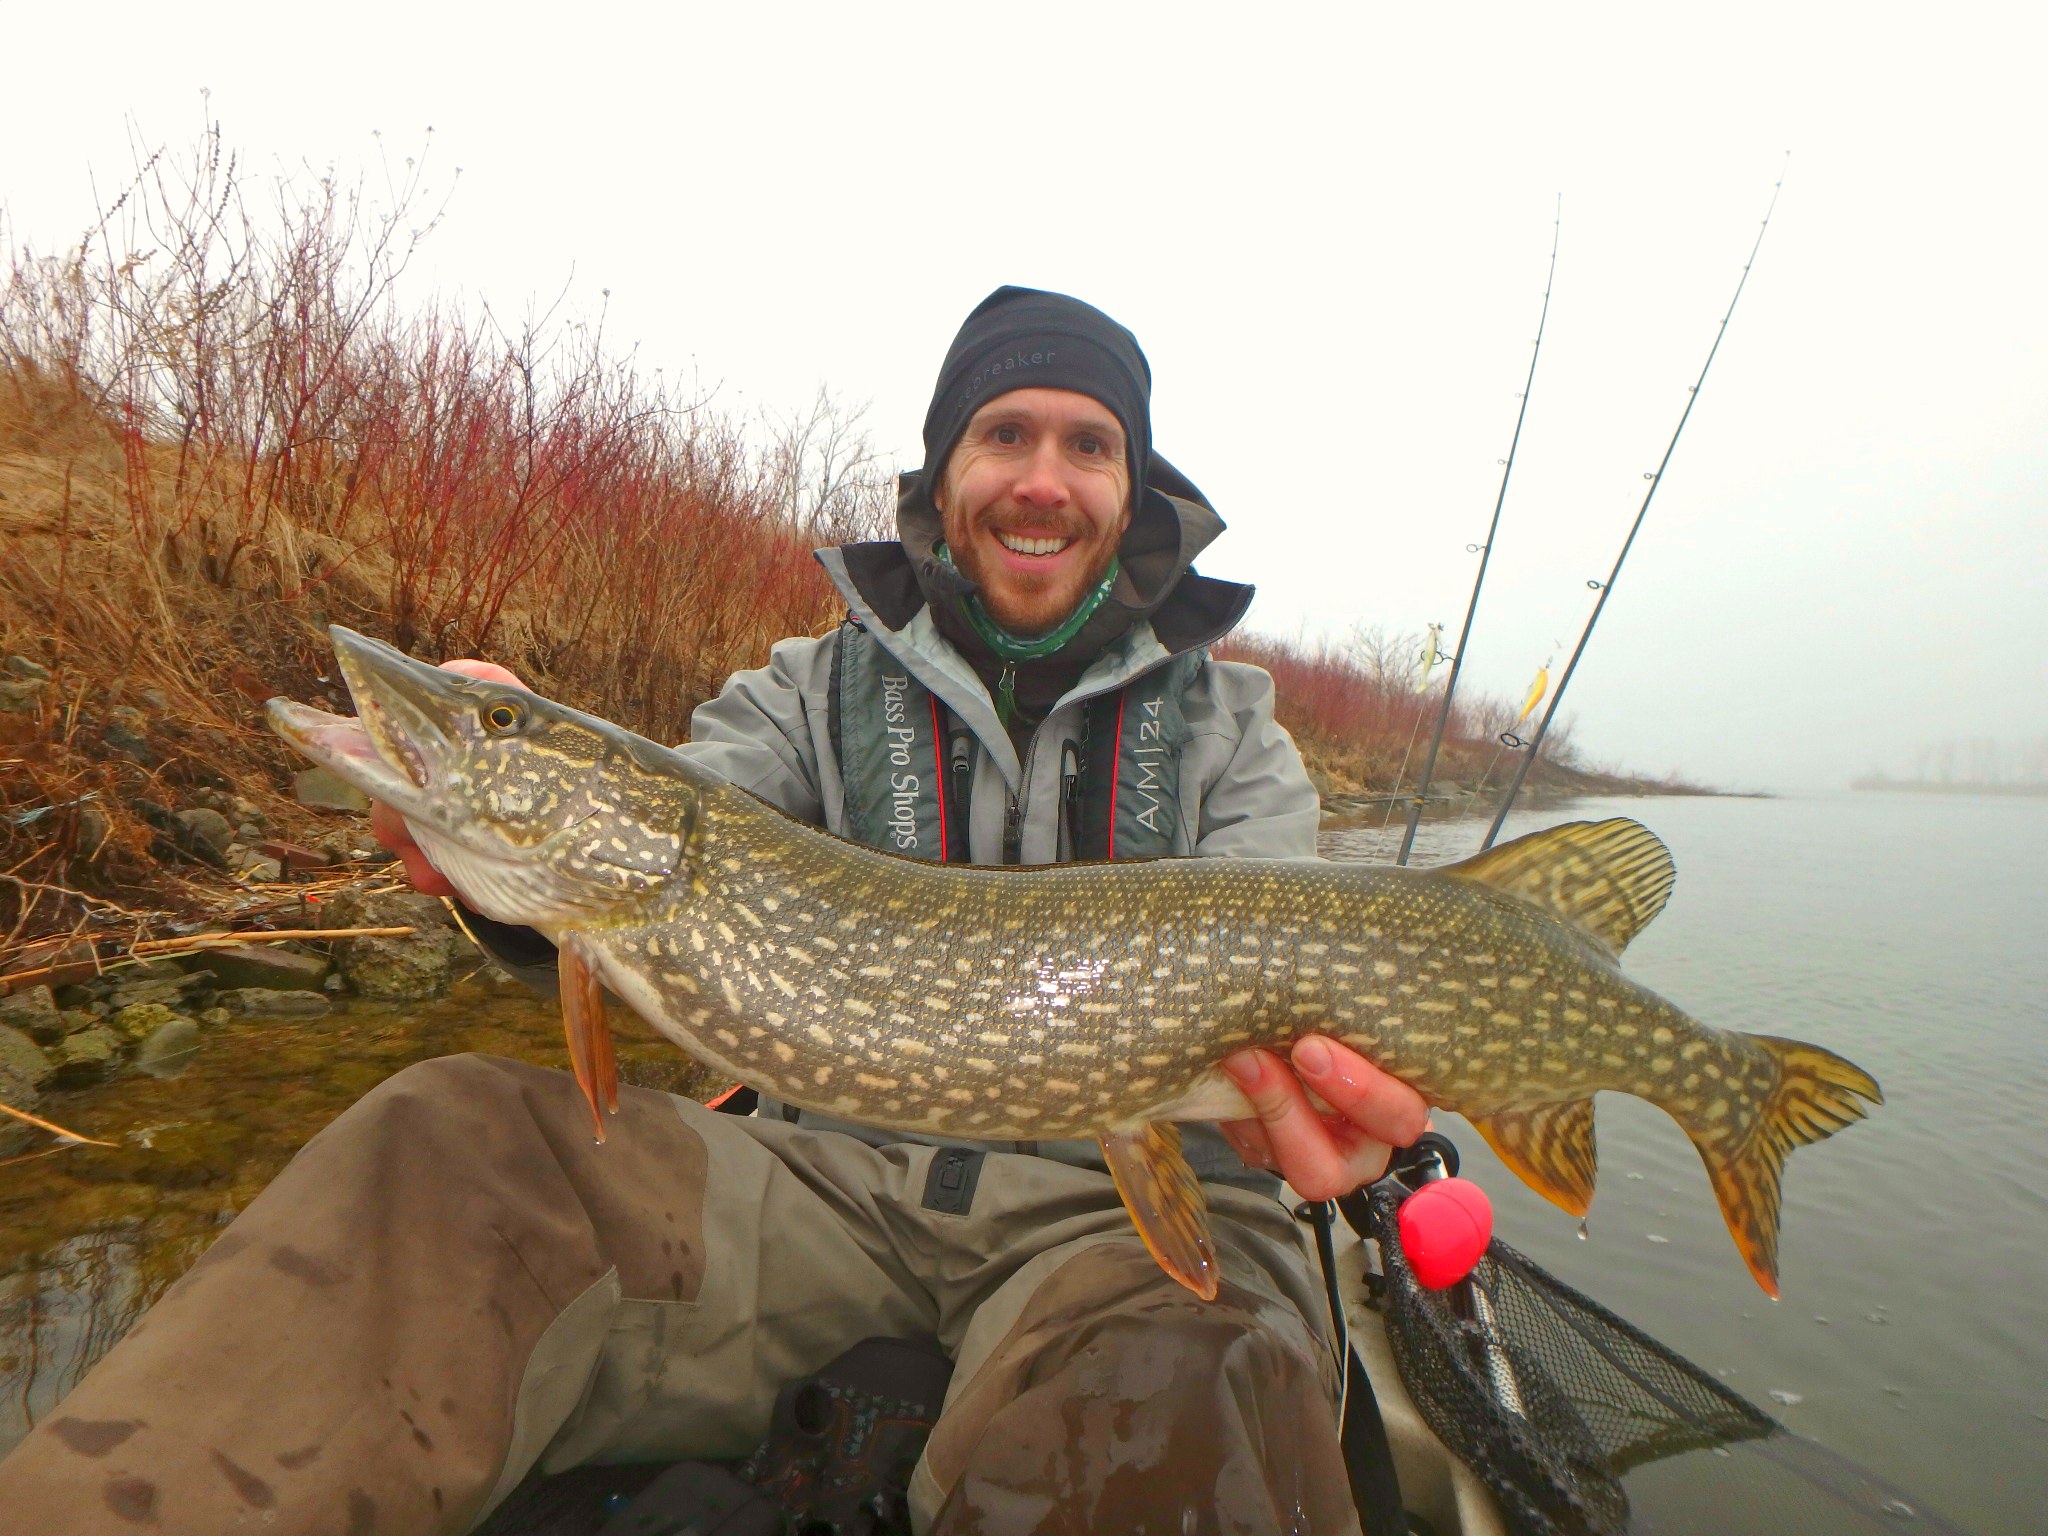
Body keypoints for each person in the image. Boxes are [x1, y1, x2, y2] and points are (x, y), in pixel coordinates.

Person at [0, 287, 1427, 1533]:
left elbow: (1295, 984)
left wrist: (1305, 1104)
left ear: (1130, 491)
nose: (1041, 479)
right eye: (1004, 436)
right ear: (945, 475)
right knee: (447, 1145)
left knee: (1201, 1385)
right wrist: (499, 821)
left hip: (1117, 1228)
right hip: (817, 1195)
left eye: (1086, 444)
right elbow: (652, 821)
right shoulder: (807, 692)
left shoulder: (1238, 736)